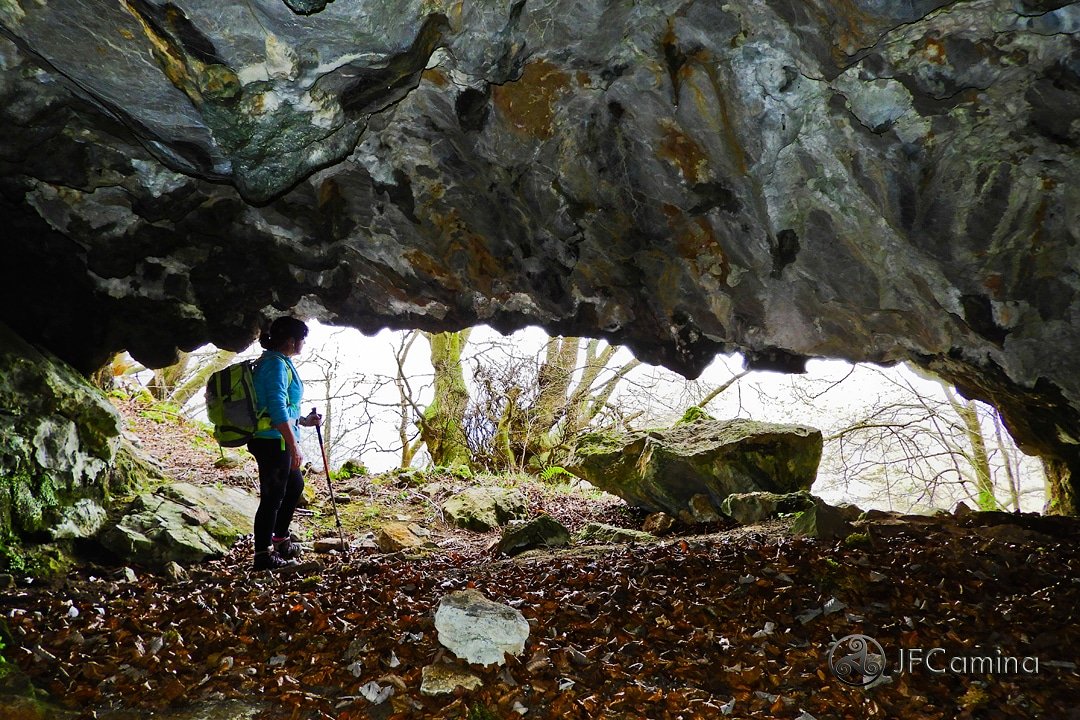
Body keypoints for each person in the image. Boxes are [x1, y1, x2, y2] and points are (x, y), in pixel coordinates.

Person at [248, 316, 321, 570]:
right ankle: (262, 555)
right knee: (272, 497)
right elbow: (276, 407)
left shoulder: (280, 362)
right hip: (271, 441)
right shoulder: (274, 365)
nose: (303, 343)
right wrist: (293, 444)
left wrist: (304, 421)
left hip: (276, 438)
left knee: (294, 486)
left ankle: (280, 539)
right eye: (302, 339)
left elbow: (285, 408)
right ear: (291, 341)